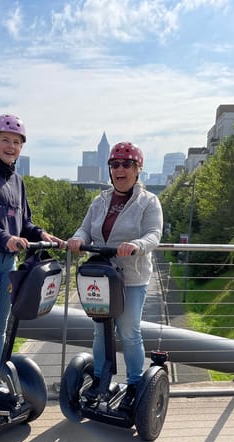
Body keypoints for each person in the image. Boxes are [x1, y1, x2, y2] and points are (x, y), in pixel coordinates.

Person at [0, 113, 63, 388]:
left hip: (7, 261)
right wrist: (4, 238)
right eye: (5, 140)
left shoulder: (18, 181)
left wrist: (40, 234)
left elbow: (24, 223)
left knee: (0, 328)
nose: (11, 146)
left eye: (17, 142)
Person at [67, 141, 163, 410]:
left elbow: (154, 234)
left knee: (129, 331)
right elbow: (84, 229)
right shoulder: (101, 200)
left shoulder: (148, 201)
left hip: (131, 277)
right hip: (102, 275)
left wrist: (136, 245)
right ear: (110, 170)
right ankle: (100, 379)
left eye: (127, 164)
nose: (120, 169)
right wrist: (77, 239)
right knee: (101, 331)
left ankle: (134, 384)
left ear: (138, 169)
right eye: (115, 165)